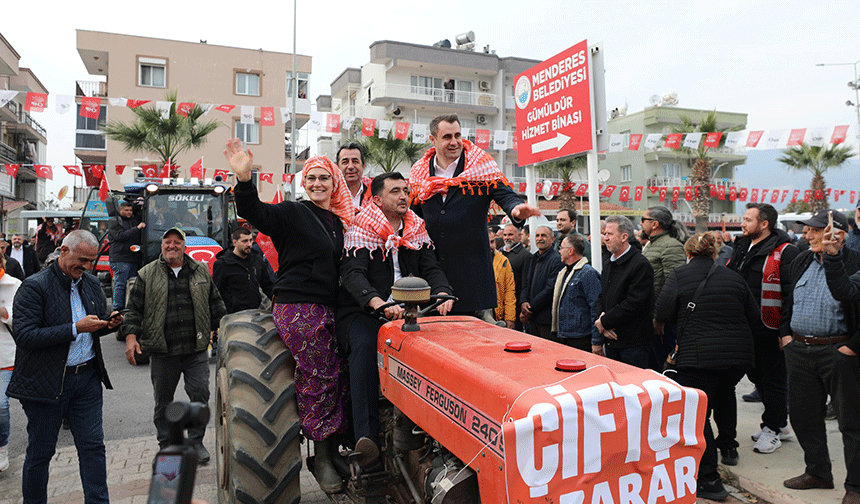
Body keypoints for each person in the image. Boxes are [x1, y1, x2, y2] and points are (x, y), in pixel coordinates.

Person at [224, 138, 353, 493]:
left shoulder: (338, 221)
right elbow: (256, 211)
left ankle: (332, 450)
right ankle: (321, 458)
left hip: (330, 306)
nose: (317, 184)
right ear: (303, 183)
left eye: (323, 178)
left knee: (339, 375)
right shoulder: (293, 212)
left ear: (334, 183)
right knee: (319, 376)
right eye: (311, 178)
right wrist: (245, 180)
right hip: (299, 305)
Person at [339, 172, 453, 466]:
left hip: (412, 309)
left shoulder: (416, 228)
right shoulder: (360, 227)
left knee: (444, 347)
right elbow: (353, 274)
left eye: (405, 190)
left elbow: (431, 268)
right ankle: (366, 439)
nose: (404, 196)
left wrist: (443, 293)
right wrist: (378, 303)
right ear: (377, 200)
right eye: (395, 192)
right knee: (365, 346)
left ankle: (439, 433)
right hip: (366, 311)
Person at [8, 230, 121, 504]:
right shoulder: (34, 286)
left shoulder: (90, 283)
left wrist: (109, 324)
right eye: (82, 260)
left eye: (92, 261)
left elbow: (94, 324)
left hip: (87, 379)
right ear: (64, 251)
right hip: (45, 384)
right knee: (40, 453)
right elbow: (25, 336)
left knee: (93, 449)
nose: (87, 267)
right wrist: (74, 328)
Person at [654, 233, 758, 501]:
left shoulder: (678, 275)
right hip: (737, 355)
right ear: (714, 253)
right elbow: (754, 315)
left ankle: (709, 479)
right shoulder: (733, 277)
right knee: (725, 396)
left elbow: (663, 312)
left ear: (688, 254)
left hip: (699, 356)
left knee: (698, 414)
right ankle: (729, 448)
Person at [409, 114, 539, 316]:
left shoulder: (480, 166)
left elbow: (505, 194)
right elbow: (413, 219)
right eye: (447, 137)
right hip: (432, 282)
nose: (454, 142)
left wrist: (516, 210)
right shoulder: (419, 172)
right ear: (433, 140)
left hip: (472, 283)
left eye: (457, 135)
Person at [121, 227, 226, 464]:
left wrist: (217, 329)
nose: (172, 246)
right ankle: (167, 445)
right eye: (167, 242)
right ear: (161, 246)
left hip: (195, 349)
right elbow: (134, 309)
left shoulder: (200, 270)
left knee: (200, 395)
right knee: (163, 402)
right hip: (163, 350)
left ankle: (196, 442)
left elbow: (216, 304)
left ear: (184, 247)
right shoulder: (147, 274)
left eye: (177, 242)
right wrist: (131, 337)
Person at [780, 210, 860, 503]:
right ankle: (818, 473)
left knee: (851, 422)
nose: (808, 235)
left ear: (839, 233)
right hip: (800, 350)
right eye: (808, 230)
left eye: (815, 230)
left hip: (839, 351)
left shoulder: (855, 262)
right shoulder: (801, 260)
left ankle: (856, 486)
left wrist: (853, 346)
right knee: (802, 416)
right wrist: (785, 334)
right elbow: (789, 300)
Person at [727, 202, 799, 454]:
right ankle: (779, 423)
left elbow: (791, 295)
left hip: (770, 328)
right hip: (744, 327)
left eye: (748, 219)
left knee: (773, 380)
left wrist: (785, 330)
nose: (742, 223)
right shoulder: (742, 247)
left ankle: (772, 428)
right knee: (757, 377)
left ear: (764, 224)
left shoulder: (785, 252)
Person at [595, 216, 654, 368]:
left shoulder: (640, 264)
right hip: (611, 339)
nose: (605, 238)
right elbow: (602, 296)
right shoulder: (609, 263)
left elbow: (634, 303)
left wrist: (605, 322)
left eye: (610, 234)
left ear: (624, 237)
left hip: (633, 344)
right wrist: (602, 322)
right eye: (605, 234)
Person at [641, 206, 686, 369]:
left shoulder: (671, 246)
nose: (641, 224)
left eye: (643, 220)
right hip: (650, 316)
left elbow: (673, 286)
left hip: (663, 322)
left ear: (655, 224)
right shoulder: (651, 245)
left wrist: (661, 318)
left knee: (665, 367)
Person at [550, 234, 601, 351]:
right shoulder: (564, 272)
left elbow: (596, 308)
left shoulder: (588, 274)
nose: (559, 251)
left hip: (580, 337)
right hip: (564, 334)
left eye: (561, 248)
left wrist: (596, 340)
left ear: (570, 251)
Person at [212, 228, 275, 314]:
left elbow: (267, 285)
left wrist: (279, 302)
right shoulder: (223, 264)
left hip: (255, 312)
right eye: (244, 241)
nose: (249, 244)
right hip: (233, 315)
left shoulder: (257, 259)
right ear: (235, 242)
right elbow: (216, 293)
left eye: (250, 240)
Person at [520, 226, 564, 339]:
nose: (540, 238)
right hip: (532, 318)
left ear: (552, 239)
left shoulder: (556, 260)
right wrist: (523, 302)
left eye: (543, 235)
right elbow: (526, 282)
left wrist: (530, 308)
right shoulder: (533, 258)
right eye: (537, 236)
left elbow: (550, 289)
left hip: (546, 319)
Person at [0, 251, 22, 473]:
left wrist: (3, 312)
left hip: (5, 356)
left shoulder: (13, 285)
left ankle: (1, 446)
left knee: (0, 405)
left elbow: (23, 320)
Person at [108, 201, 144, 312]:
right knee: (121, 284)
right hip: (120, 258)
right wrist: (137, 228)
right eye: (126, 210)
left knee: (132, 284)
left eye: (130, 210)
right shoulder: (115, 222)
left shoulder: (133, 221)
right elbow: (120, 236)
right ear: (120, 210)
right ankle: (118, 309)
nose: (129, 212)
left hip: (133, 258)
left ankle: (130, 307)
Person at [337, 142, 372, 210]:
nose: (350, 167)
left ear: (363, 166)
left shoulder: (375, 193)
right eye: (345, 162)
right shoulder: (331, 195)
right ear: (337, 167)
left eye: (355, 161)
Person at [491, 236, 516, 328]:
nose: (490, 245)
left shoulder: (503, 260)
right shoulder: (472, 261)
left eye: (492, 242)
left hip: (497, 316)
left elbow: (509, 291)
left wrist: (510, 318)